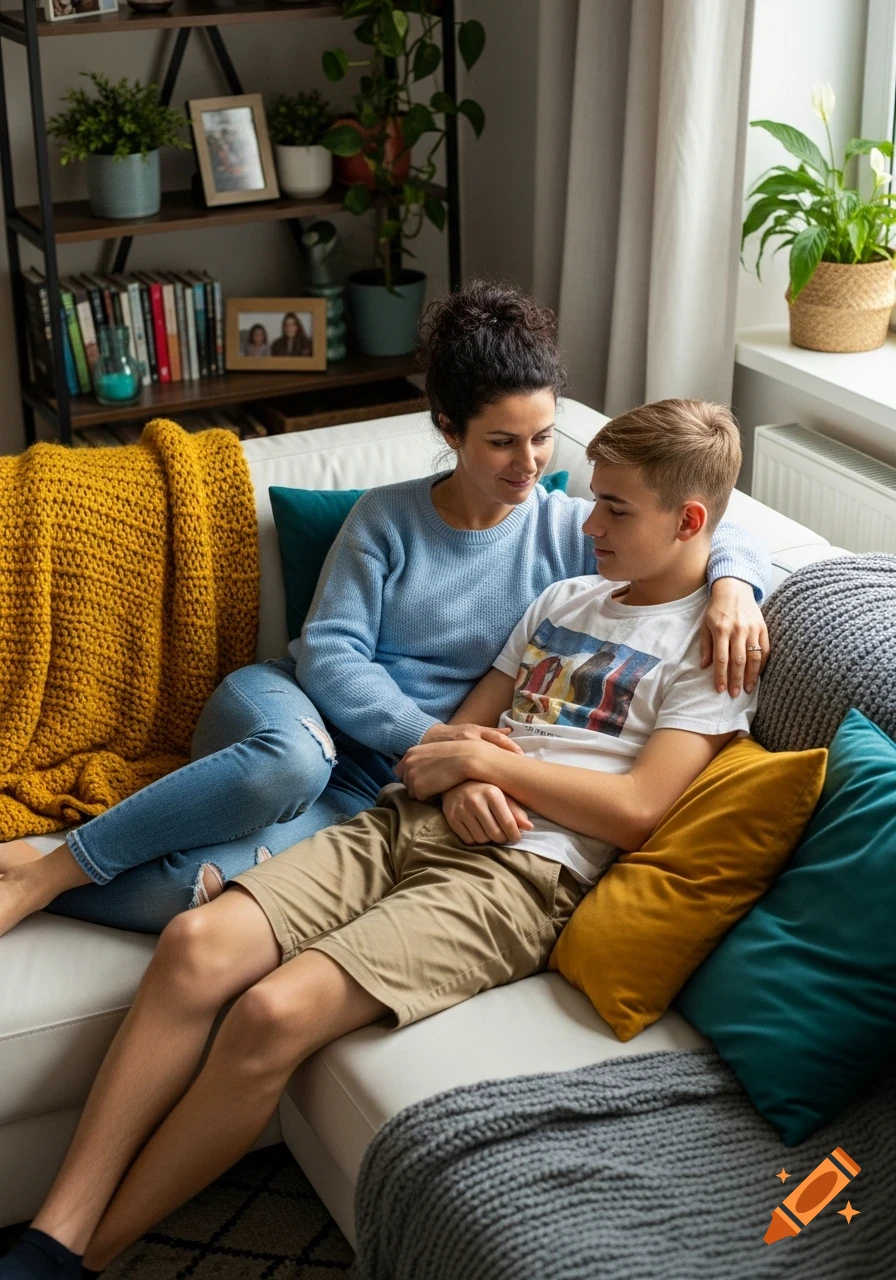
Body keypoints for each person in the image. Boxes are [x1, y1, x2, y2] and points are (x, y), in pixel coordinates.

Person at [0, 397, 759, 1279]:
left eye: (614, 508)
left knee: (270, 1013)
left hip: (522, 877)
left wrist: (490, 767)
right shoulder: (564, 595)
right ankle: (57, 1228)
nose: (587, 519)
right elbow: (447, 742)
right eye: (592, 499)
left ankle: (84, 1261)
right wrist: (467, 768)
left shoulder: (712, 648)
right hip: (411, 817)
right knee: (197, 943)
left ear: (690, 520)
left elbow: (636, 809)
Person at [0, 282, 770, 939]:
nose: (528, 464)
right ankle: (51, 872)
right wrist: (439, 745)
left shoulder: (570, 527)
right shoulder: (386, 519)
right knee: (292, 760)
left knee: (200, 894)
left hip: (379, 787)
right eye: (502, 442)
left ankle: (38, 880)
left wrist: (735, 585)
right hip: (288, 710)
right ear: (448, 430)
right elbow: (331, 655)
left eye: (542, 438)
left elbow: (706, 523)